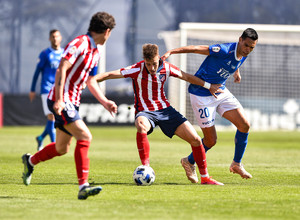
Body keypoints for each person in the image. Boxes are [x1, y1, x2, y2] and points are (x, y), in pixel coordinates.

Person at [96, 43, 224, 185]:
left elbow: (187, 77)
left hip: (166, 111)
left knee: (195, 139)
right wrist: (90, 81)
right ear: (144, 60)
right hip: (145, 112)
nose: (152, 68)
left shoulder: (167, 67)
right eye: (148, 64)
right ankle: (146, 166)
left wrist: (208, 86)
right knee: (141, 126)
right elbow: (109, 74)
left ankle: (205, 177)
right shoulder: (136, 69)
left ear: (159, 58)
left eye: (154, 64)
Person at [22, 12, 117, 200]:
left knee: (61, 148)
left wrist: (105, 101)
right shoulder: (80, 43)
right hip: (61, 99)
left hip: (72, 101)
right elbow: (61, 68)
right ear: (107, 31)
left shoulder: (95, 52)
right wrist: (58, 99)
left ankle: (30, 161)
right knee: (85, 136)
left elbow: (91, 81)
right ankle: (83, 185)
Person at [161, 28, 258, 181]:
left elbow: (235, 61)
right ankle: (188, 161)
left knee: (244, 125)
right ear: (240, 39)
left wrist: (236, 72)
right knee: (211, 140)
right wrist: (171, 52)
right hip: (201, 95)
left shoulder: (244, 53)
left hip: (220, 90)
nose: (248, 50)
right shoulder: (223, 50)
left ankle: (236, 164)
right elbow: (195, 49)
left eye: (252, 47)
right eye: (246, 45)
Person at [29, 29, 63, 151]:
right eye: (53, 37)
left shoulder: (64, 53)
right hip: (46, 88)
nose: (55, 39)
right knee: (51, 116)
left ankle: (41, 137)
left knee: (55, 116)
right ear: (49, 38)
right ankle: (54, 145)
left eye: (57, 36)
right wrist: (32, 89)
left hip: (59, 89)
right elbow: (37, 72)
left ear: (61, 38)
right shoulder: (45, 54)